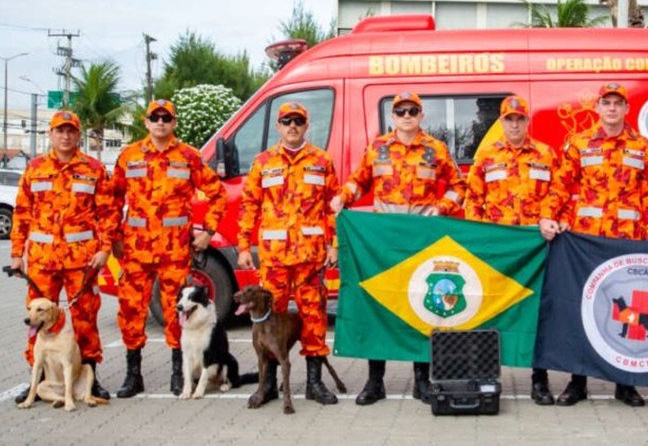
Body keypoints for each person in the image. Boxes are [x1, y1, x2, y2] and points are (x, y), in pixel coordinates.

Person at [330, 91, 466, 406]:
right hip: (383, 243)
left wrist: (443, 207)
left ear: (421, 116)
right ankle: (375, 382)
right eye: (400, 111)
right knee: (380, 307)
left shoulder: (437, 150)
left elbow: (461, 187)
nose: (406, 116)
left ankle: (422, 381)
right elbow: (357, 182)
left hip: (422, 240)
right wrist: (343, 197)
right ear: (392, 117)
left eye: (412, 111)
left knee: (423, 305)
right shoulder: (377, 148)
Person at [539, 82, 648, 407]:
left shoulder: (642, 146)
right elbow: (560, 185)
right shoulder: (578, 143)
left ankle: (625, 383)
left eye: (617, 103)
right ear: (598, 108)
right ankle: (576, 382)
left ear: (626, 109)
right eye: (606, 102)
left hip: (628, 241)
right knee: (585, 307)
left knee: (630, 313)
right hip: (587, 241)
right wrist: (547, 217)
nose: (611, 108)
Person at [111, 99, 227, 398]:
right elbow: (110, 200)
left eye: (166, 117)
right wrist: (112, 237)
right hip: (136, 251)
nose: (160, 122)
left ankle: (180, 375)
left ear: (174, 123)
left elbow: (217, 193)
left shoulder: (188, 156)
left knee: (178, 313)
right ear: (145, 121)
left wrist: (208, 232)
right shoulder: (129, 156)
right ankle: (133, 375)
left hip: (175, 251)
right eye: (155, 117)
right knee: (131, 311)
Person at [10, 110, 118, 404]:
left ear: (78, 135)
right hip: (43, 263)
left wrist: (104, 248)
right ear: (51, 134)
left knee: (85, 319)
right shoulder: (34, 169)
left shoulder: (94, 169)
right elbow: (21, 213)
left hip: (82, 262)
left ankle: (89, 378)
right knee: (38, 320)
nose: (65, 136)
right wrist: (17, 254)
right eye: (60, 130)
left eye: (71, 131)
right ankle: (39, 379)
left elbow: (108, 213)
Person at [236, 102, 340, 405]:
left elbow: (333, 207)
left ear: (306, 126)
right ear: (278, 126)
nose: (292, 125)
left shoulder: (322, 161)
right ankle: (267, 385)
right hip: (274, 261)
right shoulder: (263, 162)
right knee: (267, 321)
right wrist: (243, 246)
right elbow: (249, 206)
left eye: (298, 121)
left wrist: (335, 245)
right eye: (286, 121)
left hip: (311, 260)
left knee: (314, 318)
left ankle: (314, 383)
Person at [463, 95, 561, 406]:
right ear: (501, 122)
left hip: (534, 250)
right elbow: (473, 200)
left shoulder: (546, 154)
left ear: (526, 121)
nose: (514, 124)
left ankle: (539, 380)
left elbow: (559, 191)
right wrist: (480, 238)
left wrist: (548, 215)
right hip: (497, 249)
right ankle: (485, 378)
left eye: (520, 119)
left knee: (535, 315)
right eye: (509, 119)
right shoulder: (487, 156)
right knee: (490, 311)